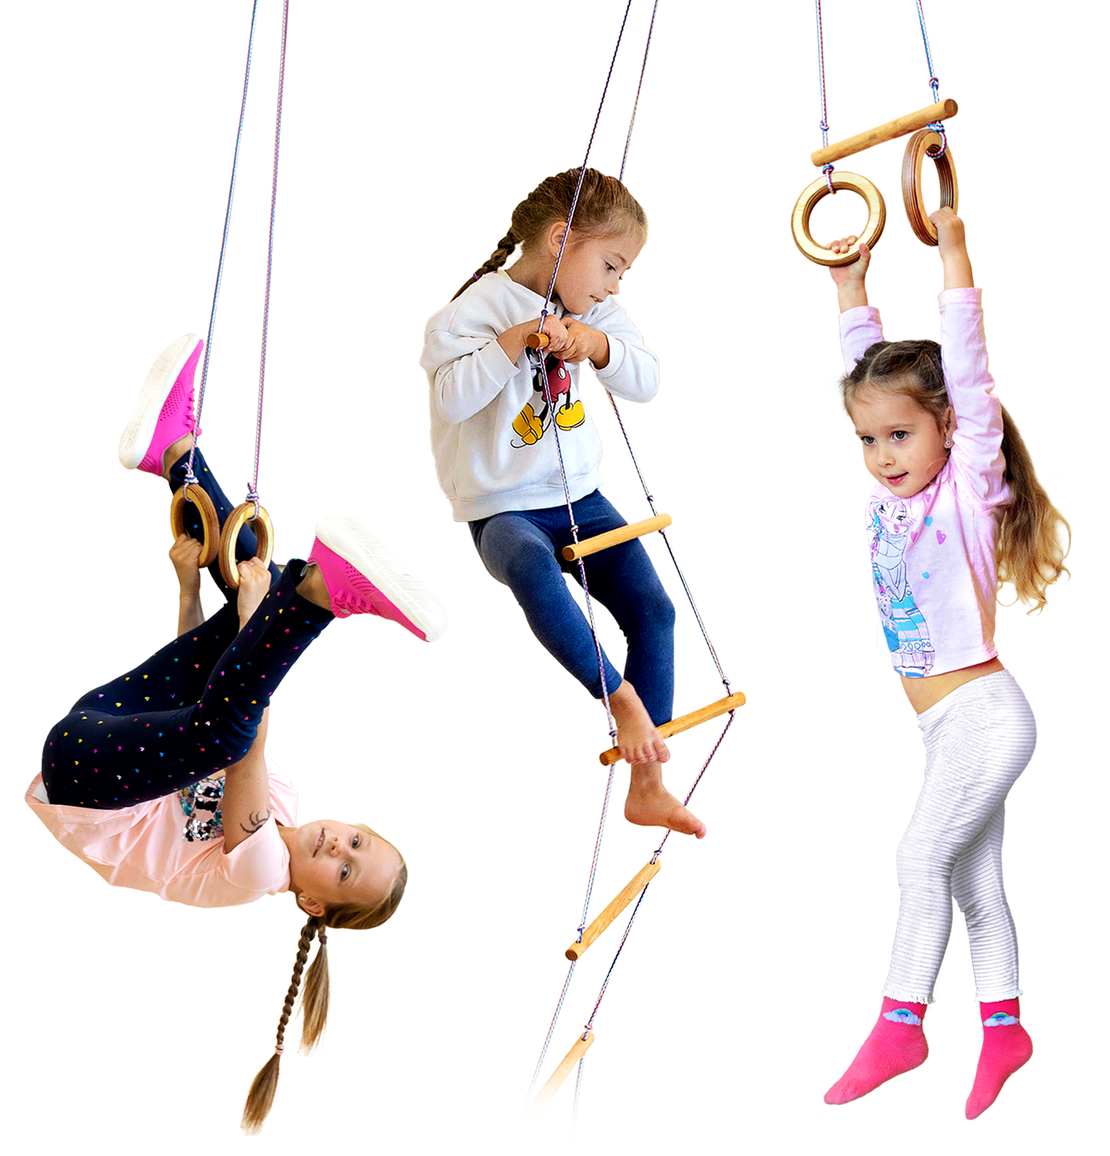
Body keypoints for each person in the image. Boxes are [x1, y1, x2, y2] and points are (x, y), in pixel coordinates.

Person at [25, 334, 447, 1130]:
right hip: (105, 728)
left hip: (81, 779)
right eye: (357, 840)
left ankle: (320, 595)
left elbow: (233, 733)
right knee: (241, 631)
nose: (340, 849)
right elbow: (202, 704)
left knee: (245, 663)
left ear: (317, 908)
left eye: (347, 872)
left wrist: (255, 615)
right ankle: (175, 452)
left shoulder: (255, 875)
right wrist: (189, 590)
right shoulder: (284, 800)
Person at [819, 211, 1068, 1118]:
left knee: (916, 858)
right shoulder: (890, 487)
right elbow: (867, 376)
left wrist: (952, 252)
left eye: (901, 437)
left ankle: (900, 1023)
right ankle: (1004, 1030)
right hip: (941, 728)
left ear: (950, 433)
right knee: (970, 879)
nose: (883, 455)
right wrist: (851, 291)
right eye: (868, 440)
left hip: (986, 714)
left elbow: (966, 368)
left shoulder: (969, 489)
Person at [421, 168, 702, 837]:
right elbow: (453, 398)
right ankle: (620, 697)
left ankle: (650, 786)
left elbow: (647, 379)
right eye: (609, 266)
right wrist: (516, 341)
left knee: (652, 610)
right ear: (558, 239)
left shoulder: (593, 312)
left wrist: (596, 344)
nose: (610, 286)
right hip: (503, 506)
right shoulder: (470, 314)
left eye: (620, 276)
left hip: (580, 496)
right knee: (529, 567)